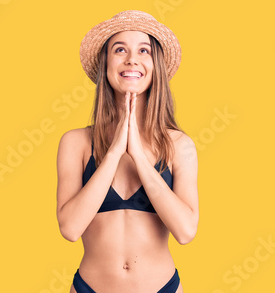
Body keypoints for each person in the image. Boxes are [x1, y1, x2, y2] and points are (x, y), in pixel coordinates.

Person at [55, 10, 199, 293]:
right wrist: (113, 152)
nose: (132, 59)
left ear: (155, 65)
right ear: (106, 64)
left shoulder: (179, 145)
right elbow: (70, 229)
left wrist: (139, 156)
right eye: (120, 49)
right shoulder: (76, 143)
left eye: (143, 50)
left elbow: (185, 232)